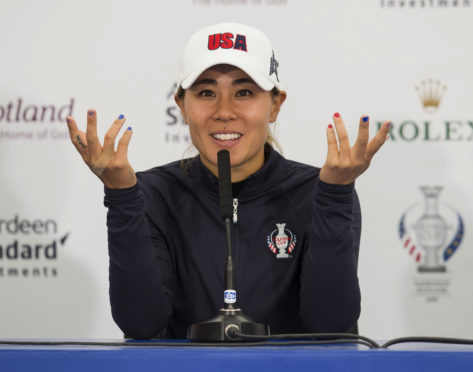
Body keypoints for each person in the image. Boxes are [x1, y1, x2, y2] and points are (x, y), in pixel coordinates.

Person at [66, 23, 390, 339]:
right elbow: (140, 323)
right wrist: (121, 195)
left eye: (244, 92)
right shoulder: (152, 194)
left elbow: (330, 324)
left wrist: (335, 195)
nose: (224, 111)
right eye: (206, 92)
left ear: (275, 105)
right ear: (181, 105)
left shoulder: (315, 192)